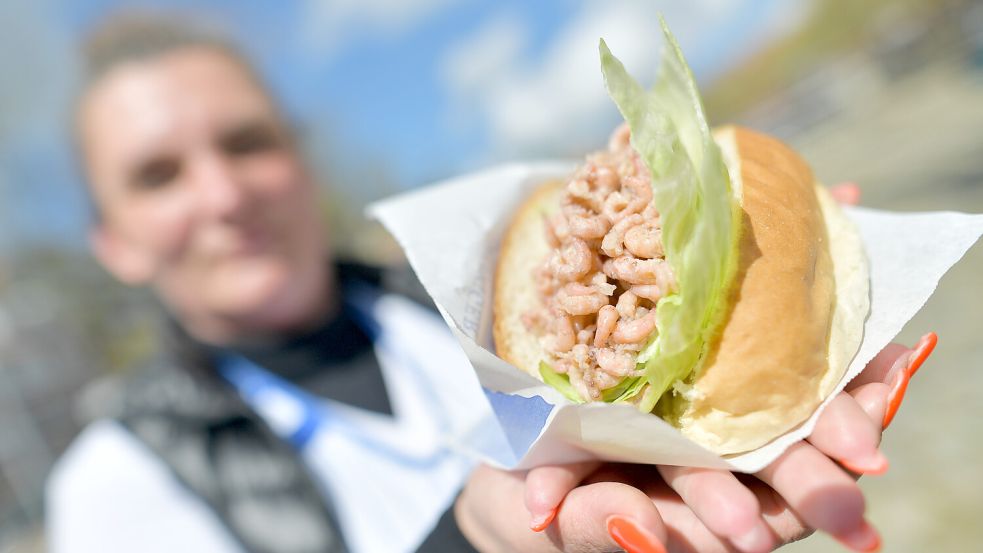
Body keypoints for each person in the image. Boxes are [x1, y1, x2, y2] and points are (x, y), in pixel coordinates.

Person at [45, 13, 933, 553]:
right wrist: (474, 539)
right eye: (157, 176)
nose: (222, 193)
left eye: (246, 143)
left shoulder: (452, 306)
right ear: (112, 242)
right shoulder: (113, 485)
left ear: (301, 160)